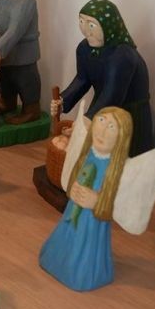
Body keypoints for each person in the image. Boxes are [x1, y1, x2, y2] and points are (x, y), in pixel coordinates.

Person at [39, 107, 132, 291]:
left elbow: (117, 203)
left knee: (85, 246)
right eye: (101, 121)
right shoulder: (89, 153)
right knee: (67, 236)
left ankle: (79, 271)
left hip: (91, 221)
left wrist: (96, 201)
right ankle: (58, 260)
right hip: (72, 212)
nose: (102, 131)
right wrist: (73, 188)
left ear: (122, 137)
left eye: (111, 127)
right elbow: (77, 175)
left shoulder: (115, 168)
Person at [51, 0, 153, 156]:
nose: (86, 31)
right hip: (102, 106)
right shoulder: (84, 48)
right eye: (81, 22)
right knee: (96, 154)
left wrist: (88, 119)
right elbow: (82, 79)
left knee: (124, 157)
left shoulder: (123, 55)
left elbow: (112, 95)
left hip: (128, 114)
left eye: (91, 25)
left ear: (108, 26)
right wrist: (63, 100)